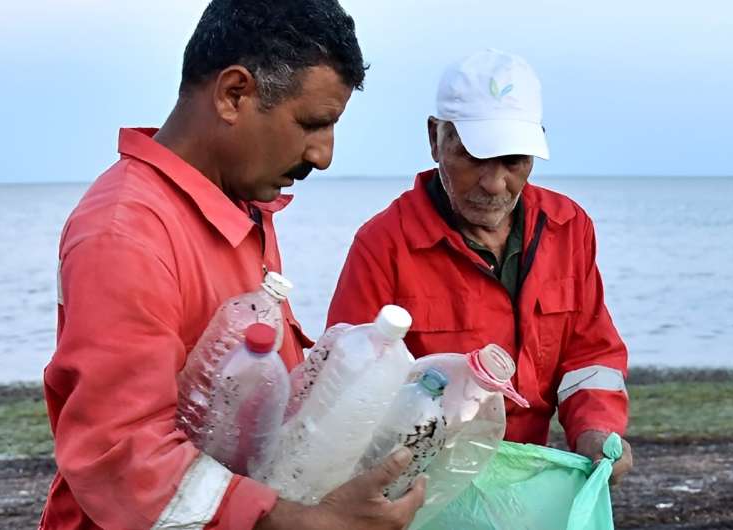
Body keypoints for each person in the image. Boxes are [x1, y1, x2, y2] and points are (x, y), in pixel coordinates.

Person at [40, 1, 424, 529]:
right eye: (313, 124)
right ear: (233, 93)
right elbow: (124, 457)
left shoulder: (242, 206)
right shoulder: (125, 234)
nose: (323, 156)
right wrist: (307, 523)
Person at [327, 49, 634, 482]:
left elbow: (590, 355)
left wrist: (596, 429)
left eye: (513, 161)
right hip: (421, 488)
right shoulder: (383, 246)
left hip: (526, 476)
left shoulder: (569, 228)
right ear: (436, 139)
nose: (494, 184)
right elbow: (348, 393)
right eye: (473, 157)